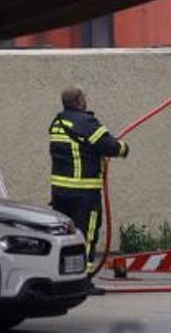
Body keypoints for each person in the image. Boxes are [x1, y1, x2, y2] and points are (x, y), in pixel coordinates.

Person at [49, 86, 129, 270]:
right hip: (83, 193)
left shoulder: (57, 122)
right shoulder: (85, 121)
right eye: (84, 97)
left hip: (59, 193)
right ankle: (83, 278)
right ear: (79, 101)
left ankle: (63, 273)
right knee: (86, 235)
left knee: (65, 236)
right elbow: (110, 146)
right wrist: (124, 148)